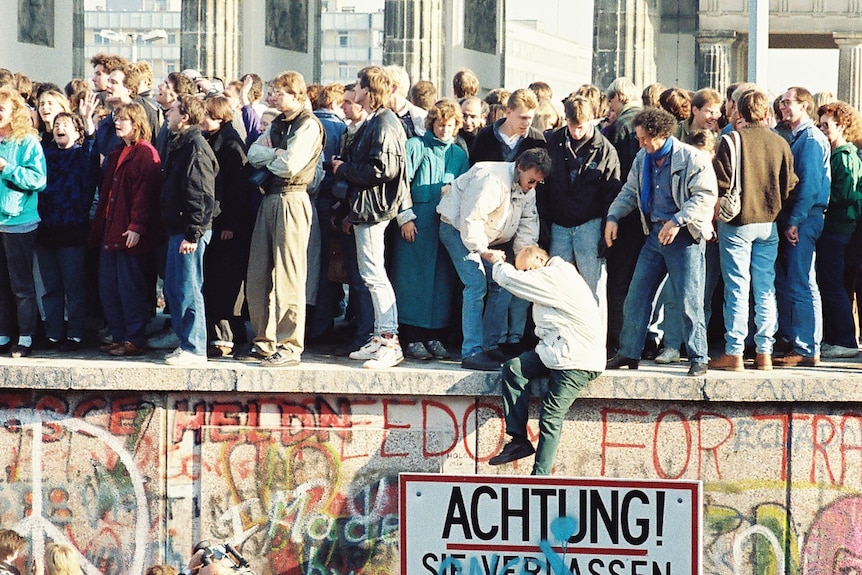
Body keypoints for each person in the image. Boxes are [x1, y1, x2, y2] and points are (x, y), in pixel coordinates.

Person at [604, 107, 717, 377]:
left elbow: (704, 197)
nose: (640, 144)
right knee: (636, 296)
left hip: (685, 237)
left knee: (689, 299)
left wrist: (677, 220)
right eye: (638, 138)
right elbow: (630, 191)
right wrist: (613, 216)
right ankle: (629, 352)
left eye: (644, 139)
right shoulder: (643, 158)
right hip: (655, 235)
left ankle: (698, 356)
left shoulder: (692, 158)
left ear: (661, 135)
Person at [486, 245, 604, 475]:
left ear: (541, 258)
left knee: (550, 416)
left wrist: (496, 261)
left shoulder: (556, 276)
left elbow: (512, 280)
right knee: (514, 368)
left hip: (577, 360)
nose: (529, 276)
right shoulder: (550, 275)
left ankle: (540, 477)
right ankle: (519, 440)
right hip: (555, 351)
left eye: (529, 269)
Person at [708, 89, 798, 372]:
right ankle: (764, 352)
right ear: (766, 112)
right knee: (765, 287)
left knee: (736, 287)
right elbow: (791, 183)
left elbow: (719, 184)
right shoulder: (780, 142)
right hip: (767, 222)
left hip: (736, 222)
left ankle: (734, 352)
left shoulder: (731, 140)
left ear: (740, 112)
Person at [437, 147, 550, 371]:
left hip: (487, 238)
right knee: (476, 283)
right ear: (520, 167)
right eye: (531, 180)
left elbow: (527, 224)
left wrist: (523, 258)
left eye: (538, 182)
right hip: (456, 229)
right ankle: (472, 351)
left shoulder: (528, 189)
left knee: (502, 283)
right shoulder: (491, 179)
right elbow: (472, 218)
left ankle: (490, 347)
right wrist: (483, 251)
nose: (533, 186)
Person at [244, 71, 325, 366]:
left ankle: (290, 345)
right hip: (269, 197)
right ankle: (263, 341)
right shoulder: (279, 123)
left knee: (289, 277)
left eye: (278, 92)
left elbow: (291, 165)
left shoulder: (308, 125)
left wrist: (274, 154)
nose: (271, 97)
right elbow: (252, 153)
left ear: (296, 94)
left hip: (292, 197)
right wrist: (276, 153)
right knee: (258, 275)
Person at [332, 65, 410, 369]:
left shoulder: (383, 124)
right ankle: (380, 337)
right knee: (371, 275)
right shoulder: (378, 122)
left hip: (373, 208)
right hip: (369, 206)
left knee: (375, 276)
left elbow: (382, 169)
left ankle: (389, 340)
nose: (356, 89)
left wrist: (344, 170)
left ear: (368, 89)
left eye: (359, 85)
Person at [393, 99, 470, 360]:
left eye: (449, 125)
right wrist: (405, 218)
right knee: (413, 281)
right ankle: (412, 336)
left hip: (445, 226)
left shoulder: (459, 155)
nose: (444, 130)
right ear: (431, 123)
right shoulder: (416, 146)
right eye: (440, 124)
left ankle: (435, 335)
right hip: (417, 223)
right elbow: (401, 184)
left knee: (441, 281)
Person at [90, 102, 163, 357]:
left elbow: (146, 195)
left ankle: (134, 338)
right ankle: (119, 336)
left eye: (123, 119)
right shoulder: (116, 153)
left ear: (137, 123)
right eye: (116, 119)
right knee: (108, 286)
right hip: (110, 231)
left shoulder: (145, 153)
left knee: (130, 288)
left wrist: (136, 227)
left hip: (129, 233)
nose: (118, 123)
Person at [539, 95, 621, 319]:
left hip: (590, 224)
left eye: (581, 127)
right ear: (565, 120)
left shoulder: (606, 150)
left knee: (592, 286)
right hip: (559, 223)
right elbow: (542, 186)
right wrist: (544, 223)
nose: (576, 132)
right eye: (572, 126)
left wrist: (606, 228)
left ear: (591, 121)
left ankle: (594, 340)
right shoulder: (554, 142)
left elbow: (611, 194)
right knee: (556, 284)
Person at [35, 97, 100, 352]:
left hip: (72, 231)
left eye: (66, 124)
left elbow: (93, 152)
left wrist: (86, 120)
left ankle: (75, 334)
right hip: (46, 230)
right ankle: (53, 333)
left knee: (73, 286)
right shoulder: (46, 153)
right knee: (51, 287)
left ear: (77, 132)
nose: (60, 127)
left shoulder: (82, 155)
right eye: (57, 124)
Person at [773, 86, 831, 367]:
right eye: (782, 103)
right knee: (799, 280)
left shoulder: (809, 139)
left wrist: (794, 220)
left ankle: (807, 347)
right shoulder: (801, 137)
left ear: (805, 105)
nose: (783, 107)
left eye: (788, 103)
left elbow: (809, 186)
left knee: (802, 282)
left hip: (805, 217)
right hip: (803, 216)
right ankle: (803, 343)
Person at [160, 94, 219, 366]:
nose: (166, 115)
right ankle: (186, 342)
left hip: (188, 231)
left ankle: (195, 348)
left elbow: (201, 194)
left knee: (188, 287)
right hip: (178, 228)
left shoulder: (194, 148)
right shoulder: (180, 145)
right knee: (174, 287)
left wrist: (193, 233)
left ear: (184, 117)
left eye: (171, 111)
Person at [200, 95, 256, 359]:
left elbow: (237, 189)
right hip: (218, 220)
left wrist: (231, 223)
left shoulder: (231, 145)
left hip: (228, 225)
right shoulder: (215, 141)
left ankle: (228, 337)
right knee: (216, 281)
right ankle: (222, 335)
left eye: (208, 115)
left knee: (226, 283)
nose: (203, 119)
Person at [0, 85, 48, 358]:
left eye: (1, 109)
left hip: (18, 221)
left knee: (20, 283)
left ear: (14, 113)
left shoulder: (27, 142)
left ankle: (26, 336)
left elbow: (38, 180)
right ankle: (3, 332)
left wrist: (8, 168)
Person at [815, 101, 862, 358]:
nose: (822, 129)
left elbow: (844, 196)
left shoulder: (843, 157)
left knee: (833, 284)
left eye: (827, 125)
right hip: (838, 227)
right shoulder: (843, 154)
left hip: (837, 228)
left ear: (842, 126)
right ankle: (837, 338)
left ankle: (844, 340)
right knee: (833, 283)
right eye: (820, 124)